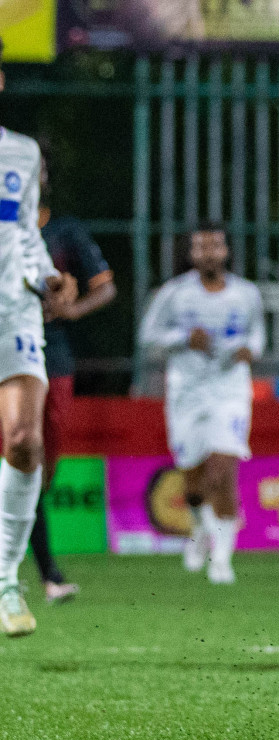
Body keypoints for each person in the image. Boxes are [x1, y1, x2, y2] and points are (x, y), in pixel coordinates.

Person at [138, 222, 265, 585]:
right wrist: (181, 338)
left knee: (224, 469)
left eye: (215, 246)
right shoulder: (174, 294)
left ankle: (222, 559)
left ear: (226, 251)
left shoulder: (246, 294)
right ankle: (197, 529)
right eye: (201, 247)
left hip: (229, 389)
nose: (209, 253)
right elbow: (148, 336)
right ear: (191, 253)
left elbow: (257, 335)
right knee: (193, 479)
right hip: (186, 391)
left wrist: (249, 350)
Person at [0, 39, 71, 636]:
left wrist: (47, 276)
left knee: (25, 442)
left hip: (12, 314)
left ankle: (5, 581)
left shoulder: (19, 154)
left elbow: (23, 233)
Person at [32, 156, 117, 603]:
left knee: (40, 467)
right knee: (19, 458)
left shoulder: (63, 232)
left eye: (41, 168)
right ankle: (45, 573)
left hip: (53, 354)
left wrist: (71, 307)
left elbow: (104, 287)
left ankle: (36, 572)